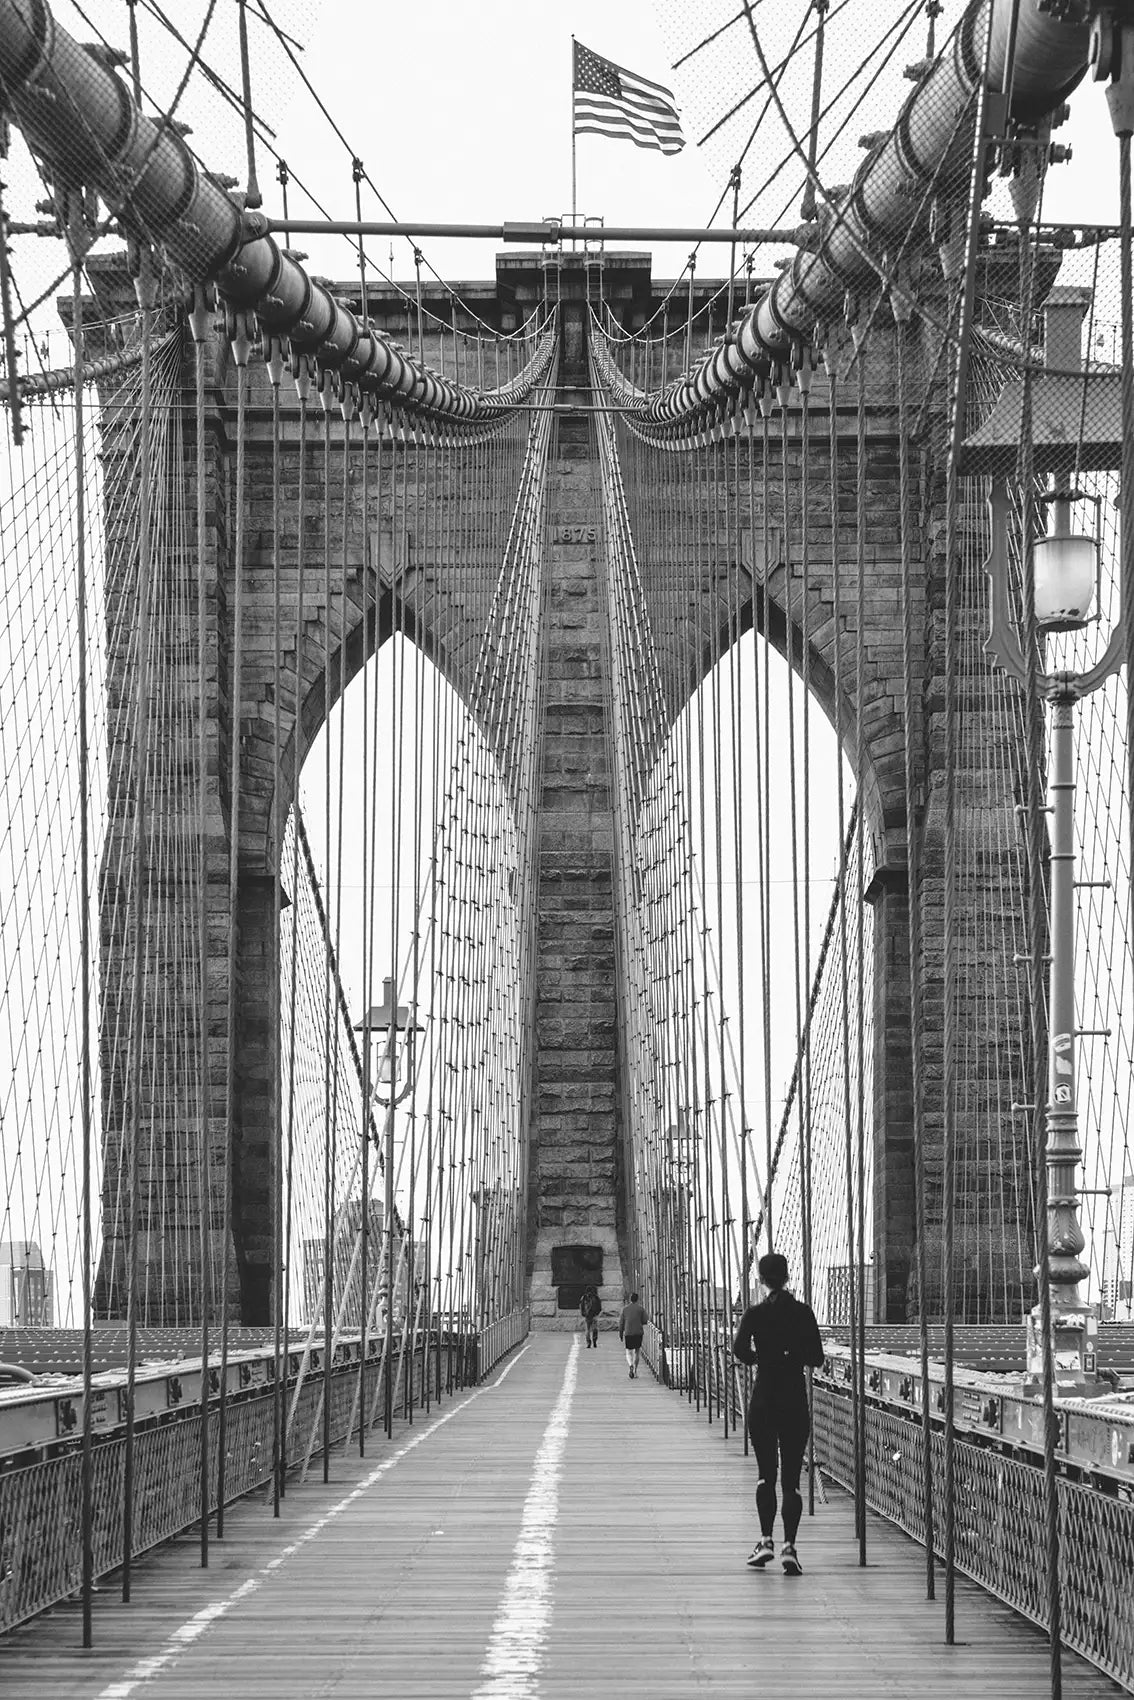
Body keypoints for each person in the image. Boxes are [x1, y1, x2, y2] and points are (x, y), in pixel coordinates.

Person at [732, 1251, 824, 1576]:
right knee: (791, 1482)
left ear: (761, 1279)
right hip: (794, 1402)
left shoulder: (755, 1314)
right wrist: (794, 1355)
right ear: (787, 1277)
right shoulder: (803, 1313)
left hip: (764, 1400)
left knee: (765, 1475)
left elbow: (739, 1349)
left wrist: (760, 1359)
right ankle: (790, 1548)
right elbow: (817, 1358)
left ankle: (766, 1541)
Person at [618, 1291, 648, 1378]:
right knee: (637, 1351)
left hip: (628, 1332)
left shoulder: (625, 1309)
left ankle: (630, 1365)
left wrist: (620, 1333)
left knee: (628, 1351)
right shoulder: (640, 1309)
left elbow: (621, 1323)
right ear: (637, 1299)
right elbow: (645, 1320)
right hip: (638, 1332)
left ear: (629, 1299)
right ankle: (635, 1370)